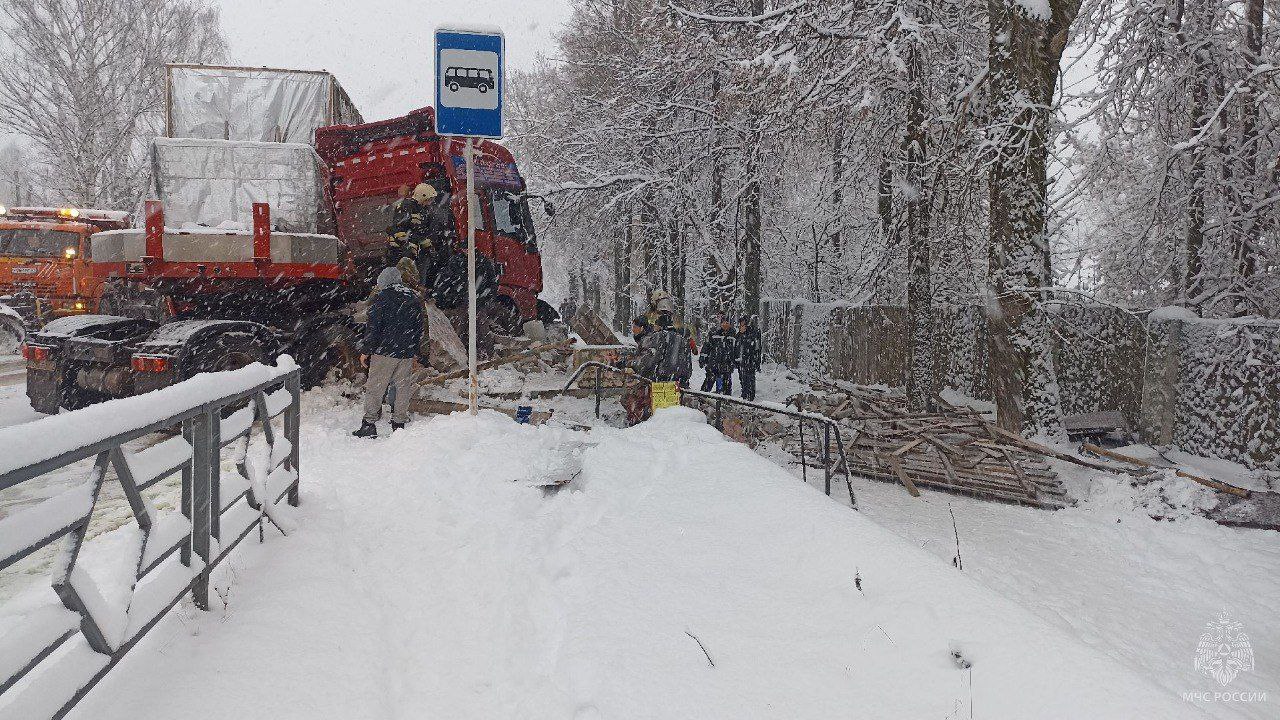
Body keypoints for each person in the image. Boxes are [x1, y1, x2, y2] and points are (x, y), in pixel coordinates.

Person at [353, 266, 426, 438]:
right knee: (402, 388)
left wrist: (366, 350)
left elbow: (373, 327)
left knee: (375, 388)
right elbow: (419, 328)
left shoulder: (382, 298)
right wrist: (414, 351)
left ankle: (369, 425)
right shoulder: (413, 298)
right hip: (405, 352)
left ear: (383, 282)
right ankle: (399, 423)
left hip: (385, 351)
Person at [700, 315, 737, 394]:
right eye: (723, 322)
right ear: (720, 323)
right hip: (714, 363)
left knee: (726, 386)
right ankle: (702, 398)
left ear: (730, 324)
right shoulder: (714, 333)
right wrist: (703, 357)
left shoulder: (733, 335)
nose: (725, 324)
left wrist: (735, 362)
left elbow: (736, 350)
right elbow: (706, 346)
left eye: (727, 323)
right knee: (708, 383)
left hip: (727, 365)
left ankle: (725, 402)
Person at [736, 315, 762, 401]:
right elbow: (736, 348)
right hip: (741, 361)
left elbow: (757, 348)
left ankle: (750, 397)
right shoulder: (739, 335)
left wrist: (757, 361)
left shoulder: (753, 334)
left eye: (743, 325)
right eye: (740, 325)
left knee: (750, 379)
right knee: (742, 379)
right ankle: (744, 396)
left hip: (750, 361)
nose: (741, 326)